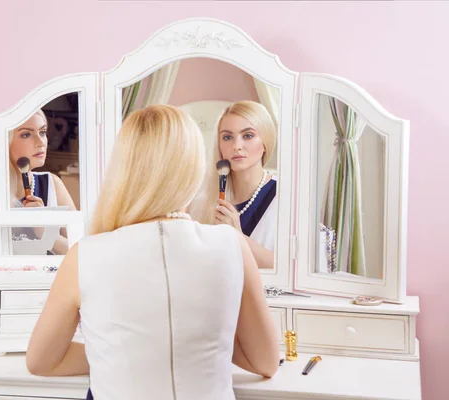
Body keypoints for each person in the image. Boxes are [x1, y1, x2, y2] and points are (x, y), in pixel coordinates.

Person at [26, 105, 280, 399]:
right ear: (192, 166)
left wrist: (119, 349)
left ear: (123, 168)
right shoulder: (232, 245)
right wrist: (199, 337)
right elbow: (266, 362)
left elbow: (41, 361)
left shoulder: (84, 255)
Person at [189, 100, 278, 270]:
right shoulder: (203, 199)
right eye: (227, 137)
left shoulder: (284, 199)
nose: (236, 146)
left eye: (248, 135)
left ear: (265, 141)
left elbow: (288, 271)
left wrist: (236, 236)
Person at [8, 109, 77, 254]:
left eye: (43, 132)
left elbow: (82, 252)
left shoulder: (52, 184)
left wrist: (44, 230)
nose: (40, 142)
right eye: (26, 134)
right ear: (5, 141)